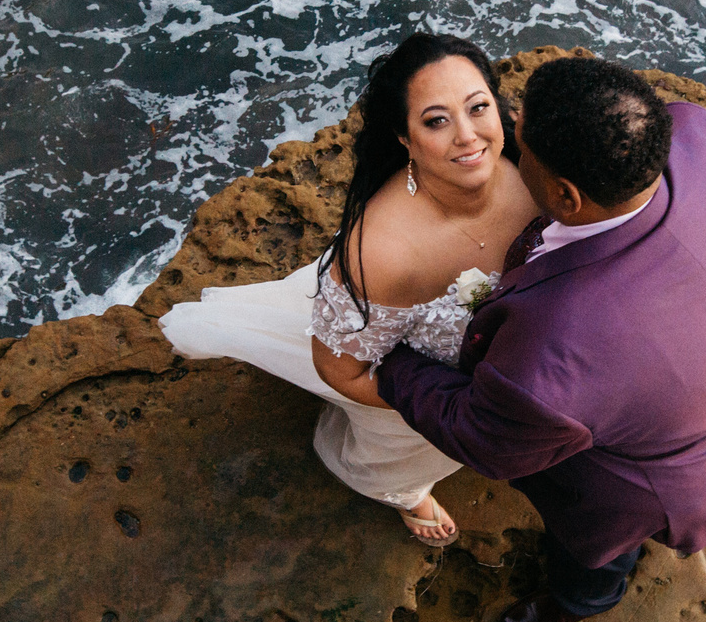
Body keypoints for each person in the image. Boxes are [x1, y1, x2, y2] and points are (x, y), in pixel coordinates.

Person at [375, 55, 706, 622]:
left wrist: (393, 363)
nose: (508, 126)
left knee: (596, 545)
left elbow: (482, 438)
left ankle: (584, 600)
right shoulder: (694, 131)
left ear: (564, 197)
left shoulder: (556, 356)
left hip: (655, 483)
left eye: (520, 136)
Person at [159, 33, 539, 546]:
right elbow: (341, 369)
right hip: (423, 387)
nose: (468, 136)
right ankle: (405, 493)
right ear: (403, 138)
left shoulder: (534, 168)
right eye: (436, 120)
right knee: (402, 453)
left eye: (478, 107)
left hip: (507, 362)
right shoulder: (380, 253)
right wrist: (451, 409)